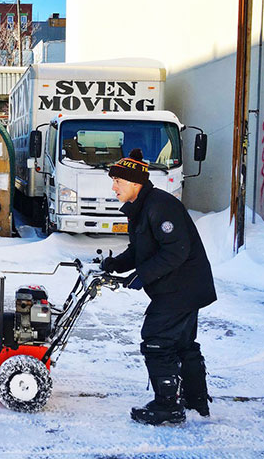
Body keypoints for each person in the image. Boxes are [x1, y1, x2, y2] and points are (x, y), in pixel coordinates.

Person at [101, 148, 217, 425]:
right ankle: (195, 400)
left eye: (118, 181)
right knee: (183, 344)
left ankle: (167, 406)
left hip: (182, 287)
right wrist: (115, 265)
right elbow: (140, 248)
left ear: (135, 183)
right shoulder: (142, 208)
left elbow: (176, 250)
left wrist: (141, 276)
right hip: (182, 287)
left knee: (157, 340)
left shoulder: (160, 205)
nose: (113, 186)